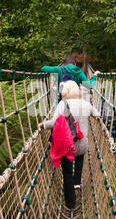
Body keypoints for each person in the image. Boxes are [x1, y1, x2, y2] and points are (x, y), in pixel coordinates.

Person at [38, 80, 100, 209]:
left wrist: (43, 125)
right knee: (79, 157)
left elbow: (54, 123)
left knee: (67, 172)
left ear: (65, 91)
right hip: (82, 145)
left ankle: (71, 203)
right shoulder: (86, 104)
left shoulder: (62, 104)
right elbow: (97, 115)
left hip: (67, 146)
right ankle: (77, 182)